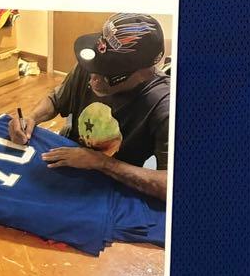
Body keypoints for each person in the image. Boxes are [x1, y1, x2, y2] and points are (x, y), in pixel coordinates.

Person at [9, 13, 170, 202]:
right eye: (96, 66)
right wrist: (31, 118)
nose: (94, 78)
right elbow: (56, 99)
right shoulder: (92, 65)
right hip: (69, 158)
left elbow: (169, 186)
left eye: (107, 73)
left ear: (144, 73)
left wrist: (101, 163)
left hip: (111, 186)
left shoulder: (164, 104)